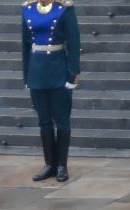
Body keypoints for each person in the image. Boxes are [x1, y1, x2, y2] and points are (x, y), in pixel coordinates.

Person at [23, 0, 81, 182]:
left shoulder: (64, 9)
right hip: (37, 70)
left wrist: (73, 73)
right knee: (44, 120)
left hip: (58, 68)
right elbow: (25, 44)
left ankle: (61, 164)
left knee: (62, 119)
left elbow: (73, 40)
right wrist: (26, 74)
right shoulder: (28, 9)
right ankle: (49, 164)